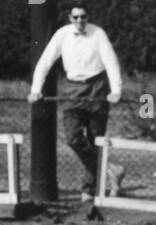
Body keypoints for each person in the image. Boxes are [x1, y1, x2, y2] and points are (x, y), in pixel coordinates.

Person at [28, 5, 124, 202]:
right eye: (76, 17)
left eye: (84, 17)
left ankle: (88, 191)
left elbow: (110, 61)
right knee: (73, 138)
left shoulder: (98, 34)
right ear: (70, 18)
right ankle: (111, 169)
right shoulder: (62, 35)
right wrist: (35, 89)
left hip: (97, 87)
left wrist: (116, 90)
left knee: (96, 139)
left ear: (88, 17)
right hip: (73, 88)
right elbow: (45, 62)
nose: (80, 21)